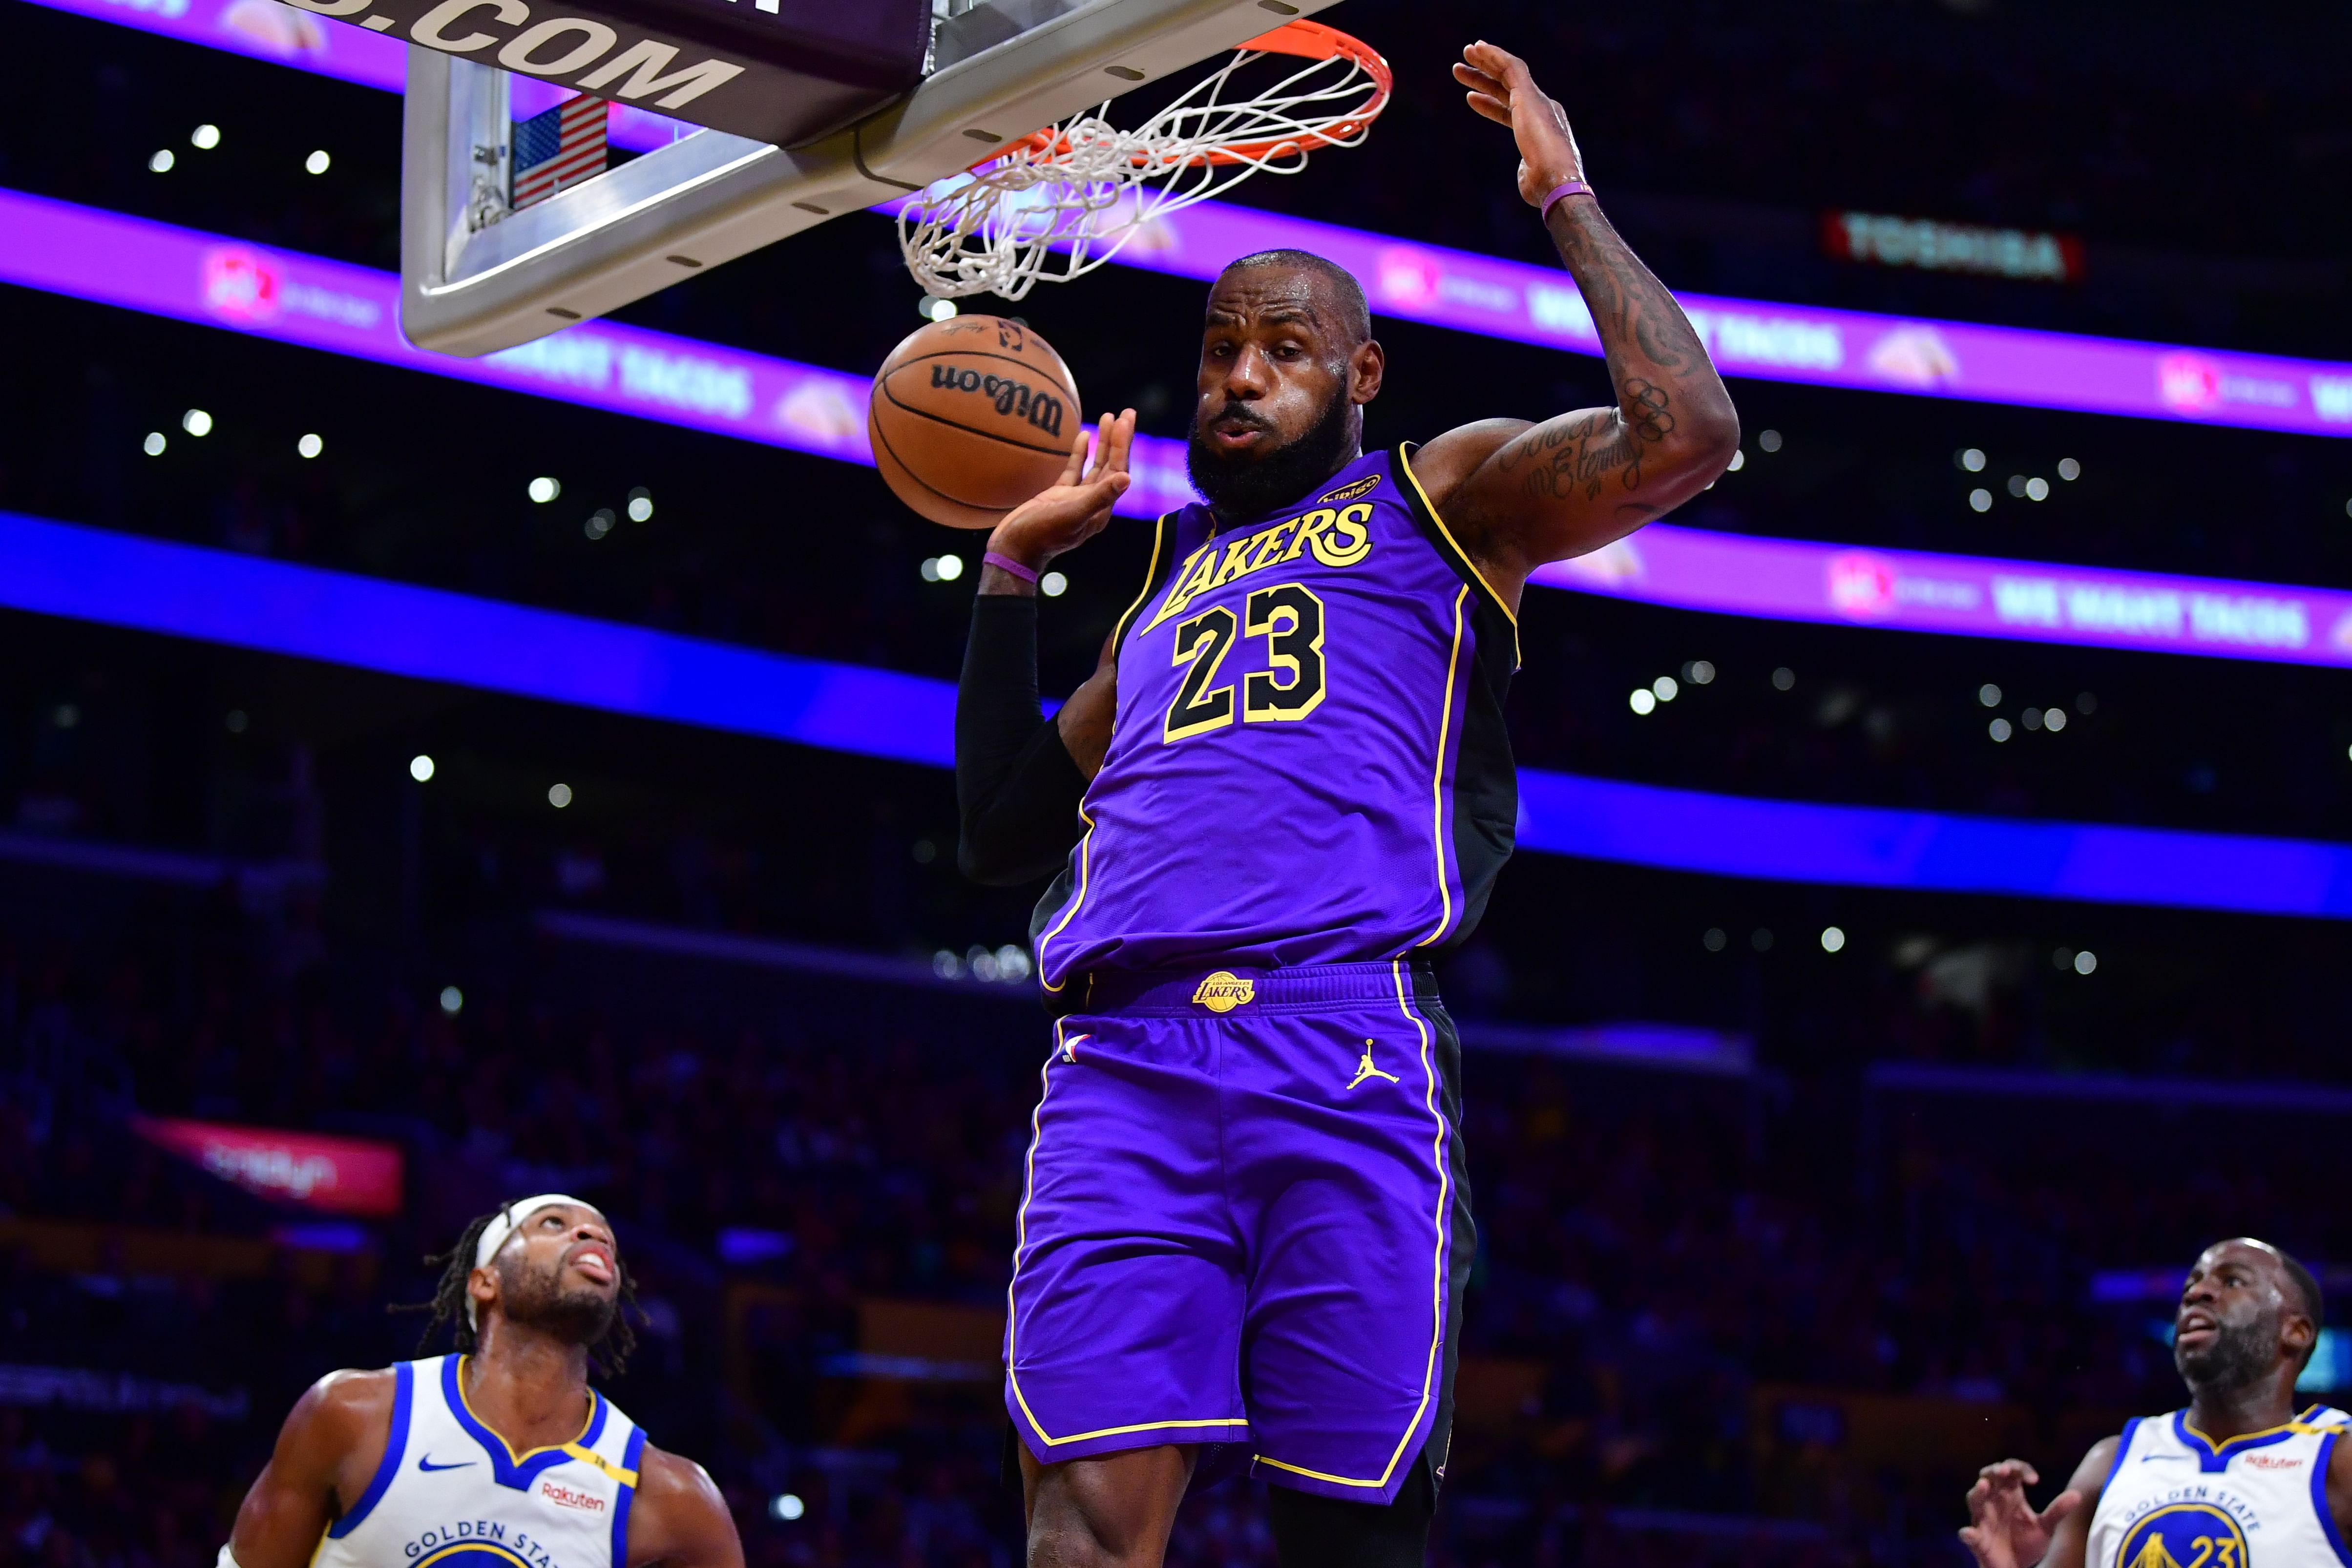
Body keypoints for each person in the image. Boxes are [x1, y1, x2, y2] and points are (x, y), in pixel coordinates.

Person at [954, 39, 1739, 1568]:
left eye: (1285, 347)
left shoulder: (1436, 494)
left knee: (1349, 1536)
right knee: (1085, 1523)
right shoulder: (1163, 584)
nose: (1238, 373)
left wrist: (1563, 195)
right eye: (1218, 346)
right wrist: (1008, 576)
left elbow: (1686, 438)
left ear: (1359, 374)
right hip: (1122, 1057)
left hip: (1344, 1037)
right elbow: (998, 832)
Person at [222, 1195, 742, 1568]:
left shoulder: (672, 1496)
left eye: (603, 1235)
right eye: (553, 1222)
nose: (591, 1235)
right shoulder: (355, 1414)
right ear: (485, 1280)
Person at [1959, 1238, 2352, 1568]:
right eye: (2190, 1287)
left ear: (2296, 1332)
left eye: (2232, 1281)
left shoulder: (2338, 1456)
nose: (2197, 1293)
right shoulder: (2112, 1461)